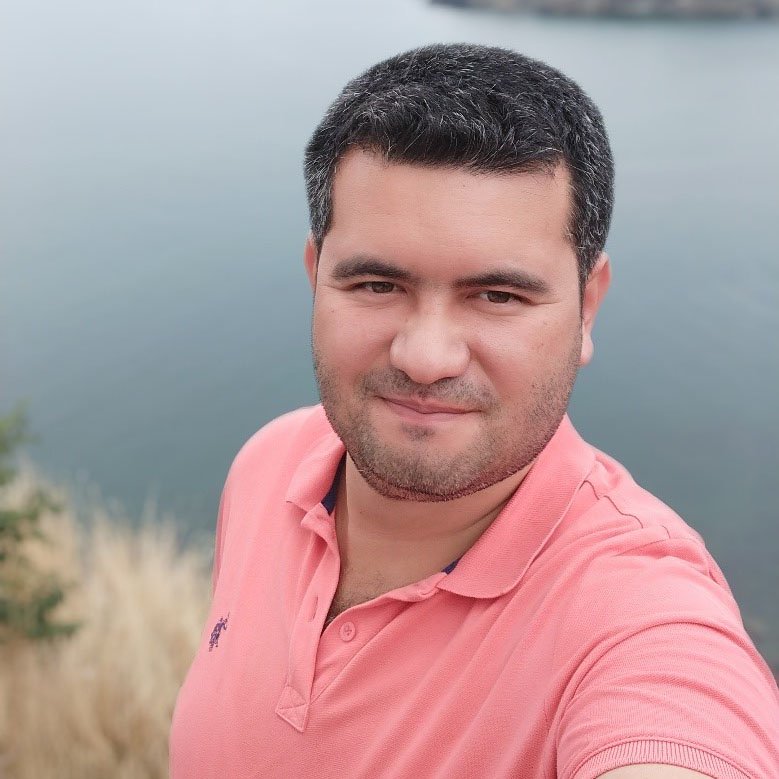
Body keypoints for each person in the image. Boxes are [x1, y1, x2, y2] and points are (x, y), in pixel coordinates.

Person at [170, 44, 779, 778]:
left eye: (497, 296)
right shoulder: (269, 463)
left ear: (587, 307)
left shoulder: (636, 615)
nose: (426, 357)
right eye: (375, 285)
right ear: (316, 276)